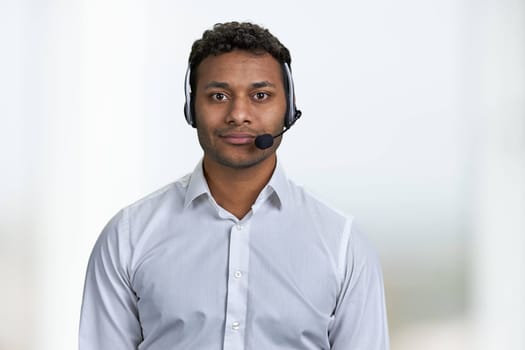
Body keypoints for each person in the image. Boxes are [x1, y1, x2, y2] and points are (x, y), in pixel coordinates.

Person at [79, 21, 389, 350]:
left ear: (288, 109)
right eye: (219, 96)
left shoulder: (342, 244)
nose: (238, 114)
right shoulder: (128, 236)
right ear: (190, 108)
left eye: (260, 95)